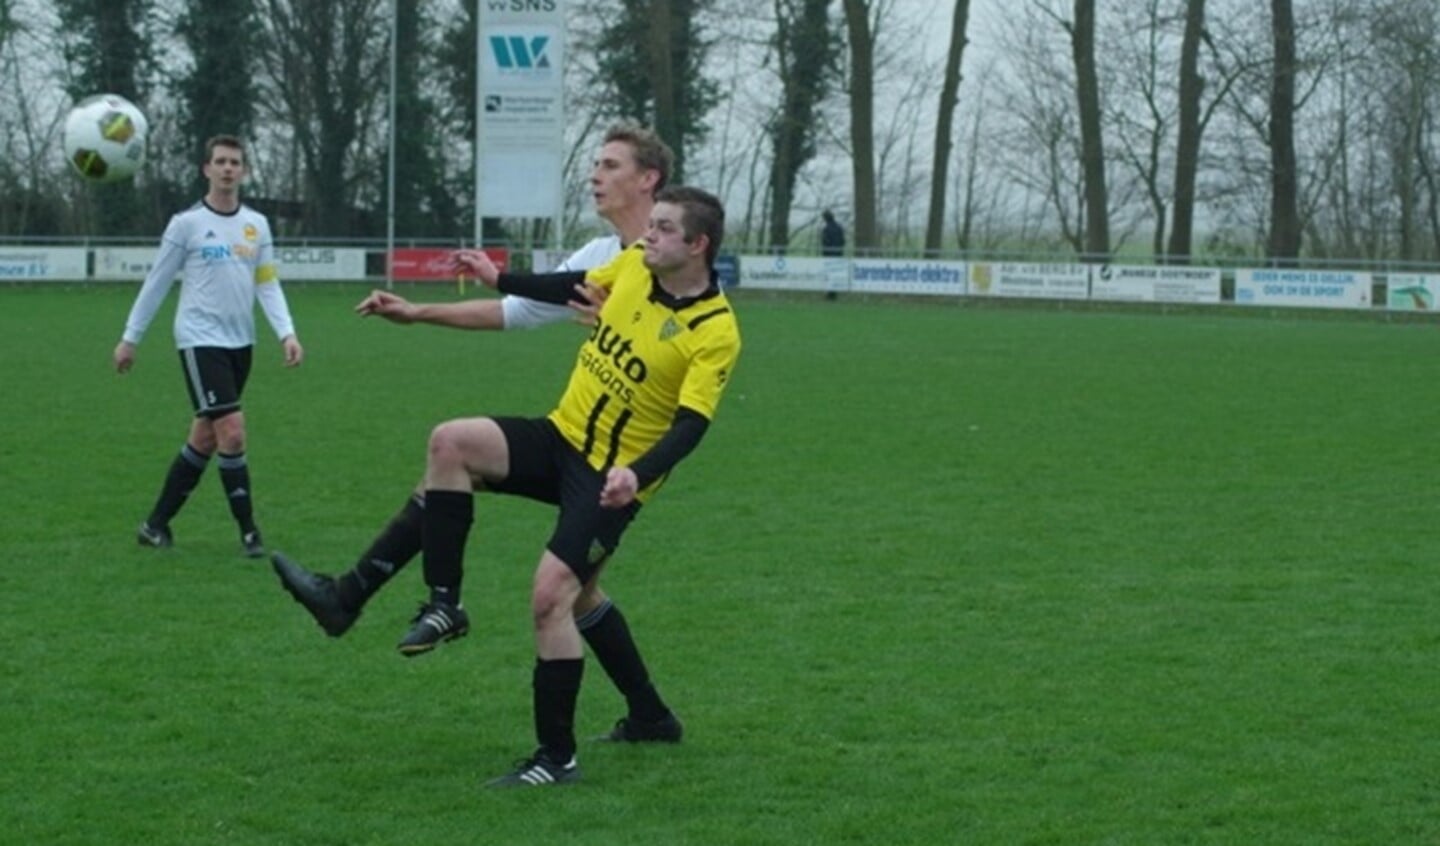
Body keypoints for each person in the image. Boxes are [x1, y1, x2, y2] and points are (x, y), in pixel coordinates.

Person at [271, 124, 691, 745]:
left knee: (566, 595)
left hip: (617, 472)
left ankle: (572, 746)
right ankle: (411, 602)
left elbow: (692, 341)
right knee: (454, 449)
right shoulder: (603, 256)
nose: (593, 175)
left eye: (608, 164)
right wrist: (419, 313)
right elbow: (518, 310)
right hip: (569, 440)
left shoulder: (674, 255)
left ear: (647, 179)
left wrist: (619, 329)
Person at [114, 135, 303, 558]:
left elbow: (267, 282)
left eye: (235, 162)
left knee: (205, 437)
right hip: (200, 340)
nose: (227, 168)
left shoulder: (257, 225)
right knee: (232, 431)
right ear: (206, 169)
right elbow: (157, 282)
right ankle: (250, 532)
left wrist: (286, 332)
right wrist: (131, 338)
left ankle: (154, 525)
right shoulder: (187, 224)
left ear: (244, 171)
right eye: (220, 161)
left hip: (241, 342)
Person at [820, 209, 845, 300]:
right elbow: (843, 241)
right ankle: (834, 294)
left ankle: (830, 294)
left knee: (829, 275)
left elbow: (825, 242)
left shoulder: (826, 229)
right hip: (838, 254)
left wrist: (824, 253)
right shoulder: (839, 227)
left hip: (829, 255)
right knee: (835, 274)